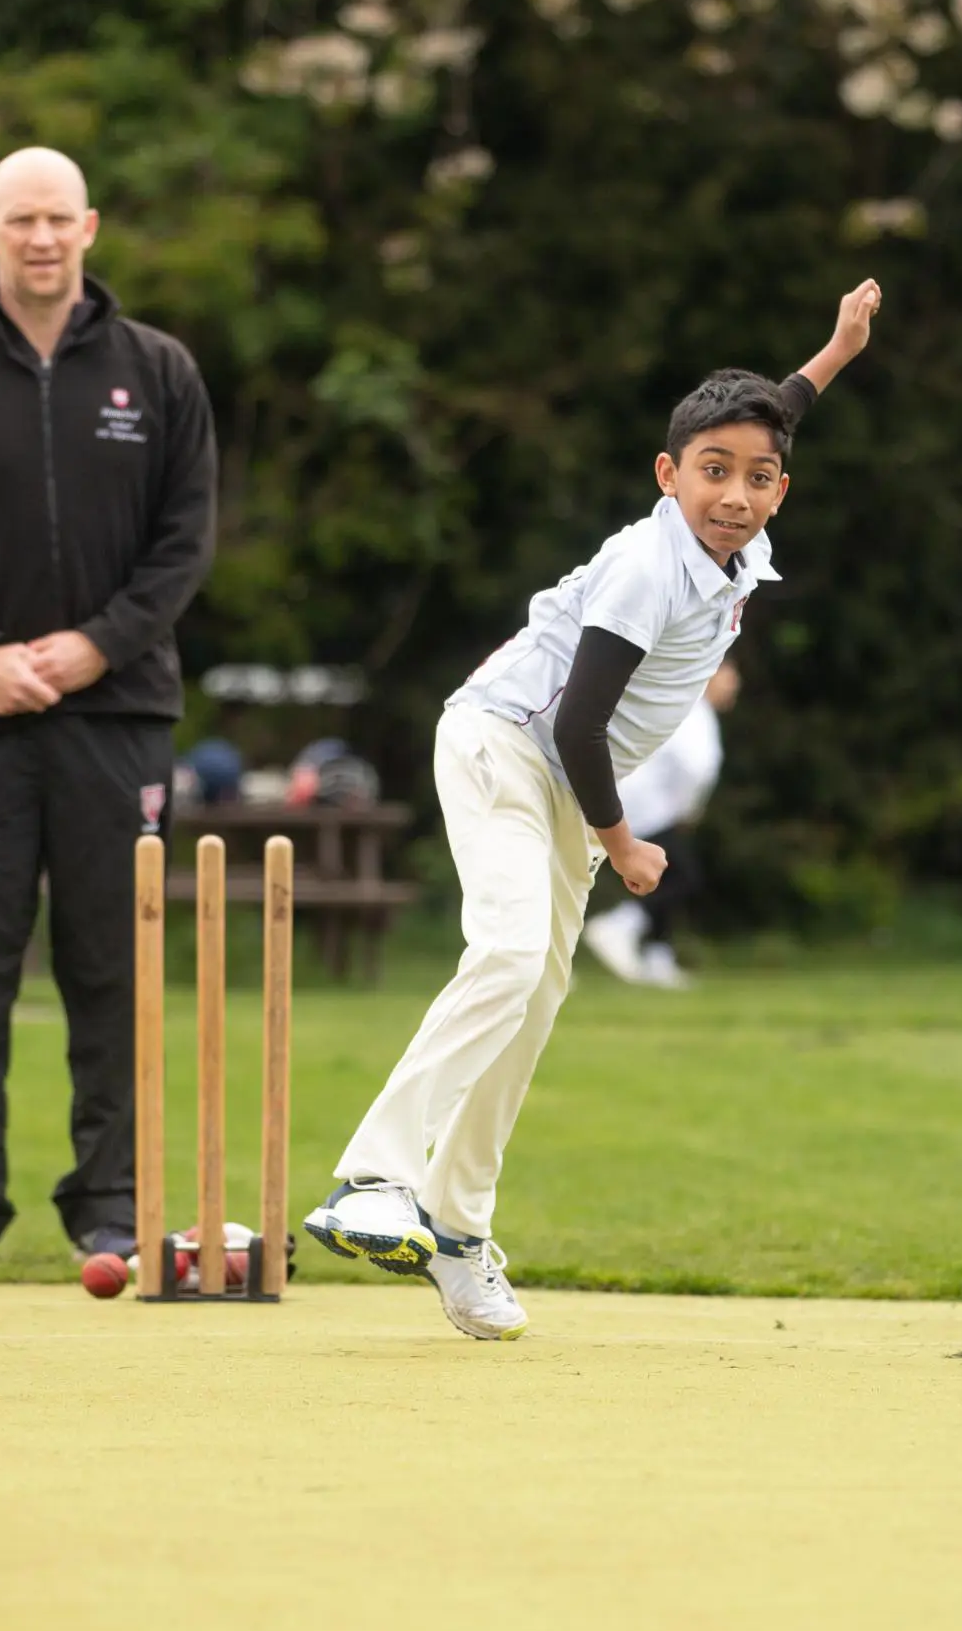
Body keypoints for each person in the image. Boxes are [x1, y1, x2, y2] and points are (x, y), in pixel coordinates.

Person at [305, 281, 883, 1339]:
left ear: (780, 490)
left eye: (758, 478)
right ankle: (371, 1178)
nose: (735, 494)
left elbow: (778, 407)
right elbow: (577, 724)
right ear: (667, 477)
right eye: (712, 473)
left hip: (564, 785)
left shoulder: (737, 537)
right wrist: (624, 848)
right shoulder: (644, 567)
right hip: (504, 744)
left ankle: (458, 1226)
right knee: (510, 950)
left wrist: (835, 351)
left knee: (530, 1006)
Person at [0, 146, 219, 1278]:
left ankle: (111, 1200)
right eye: (21, 219)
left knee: (114, 965)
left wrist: (93, 647)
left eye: (59, 217)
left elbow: (185, 542)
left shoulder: (157, 373)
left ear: (91, 226)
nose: (41, 237)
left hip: (117, 719)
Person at [581, 658, 739, 989]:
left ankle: (657, 955)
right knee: (683, 877)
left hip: (643, 805)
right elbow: (696, 768)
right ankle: (621, 925)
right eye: (727, 676)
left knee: (667, 876)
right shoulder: (694, 713)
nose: (734, 684)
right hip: (646, 808)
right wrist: (687, 811)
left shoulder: (687, 709)